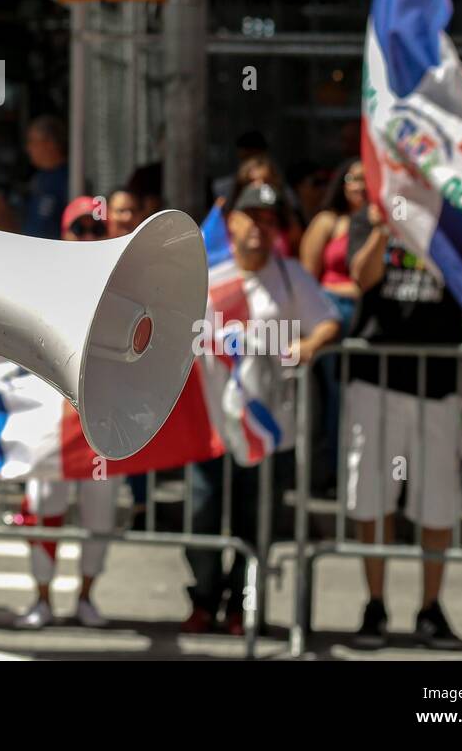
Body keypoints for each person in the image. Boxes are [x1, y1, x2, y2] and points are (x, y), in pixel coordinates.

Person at [184, 181, 339, 634]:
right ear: (230, 221)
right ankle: (203, 598)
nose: (261, 227)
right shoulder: (209, 272)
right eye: (252, 216)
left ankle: (241, 604)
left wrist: (309, 344)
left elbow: (328, 320)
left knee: (258, 518)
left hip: (269, 426)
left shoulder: (289, 275)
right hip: (213, 421)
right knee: (203, 512)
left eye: (270, 220)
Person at [346, 200, 462, 649]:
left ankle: (430, 608)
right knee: (374, 496)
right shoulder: (369, 213)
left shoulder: (454, 214)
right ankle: (375, 605)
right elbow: (363, 277)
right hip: (377, 381)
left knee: (438, 499)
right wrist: (381, 228)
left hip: (438, 384)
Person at [15, 196, 119, 630]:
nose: (89, 238)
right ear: (64, 232)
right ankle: (41, 598)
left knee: (100, 510)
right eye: (81, 229)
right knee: (45, 505)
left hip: (103, 418)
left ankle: (86, 597)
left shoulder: (123, 281)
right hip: (51, 417)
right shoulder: (43, 278)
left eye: (97, 230)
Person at [299, 158, 367, 488]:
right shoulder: (328, 221)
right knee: (336, 399)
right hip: (334, 319)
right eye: (353, 179)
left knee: (364, 399)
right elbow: (307, 278)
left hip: (370, 322)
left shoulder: (386, 223)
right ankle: (333, 472)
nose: (360, 186)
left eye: (367, 179)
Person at [22, 116, 69, 239]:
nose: (28, 148)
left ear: (50, 144)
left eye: (33, 141)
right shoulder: (38, 178)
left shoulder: (69, 179)